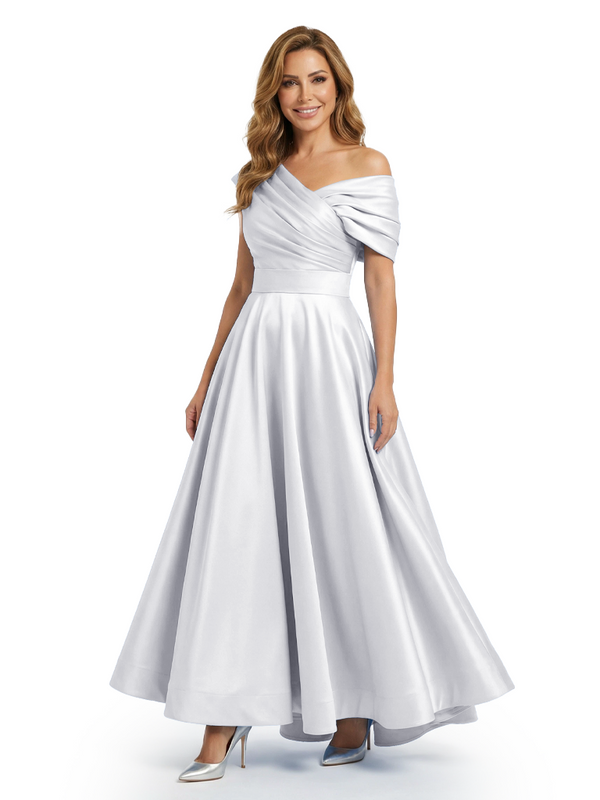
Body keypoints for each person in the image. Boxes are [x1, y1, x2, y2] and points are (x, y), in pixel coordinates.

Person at [109, 25, 515, 782]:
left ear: (339, 87)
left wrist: (385, 379)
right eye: (291, 81)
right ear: (275, 91)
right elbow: (239, 287)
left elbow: (381, 281)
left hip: (330, 357)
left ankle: (356, 706)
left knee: (344, 524)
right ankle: (222, 718)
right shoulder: (259, 173)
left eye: (318, 79)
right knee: (238, 529)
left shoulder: (368, 166)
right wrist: (205, 378)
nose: (305, 95)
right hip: (254, 360)